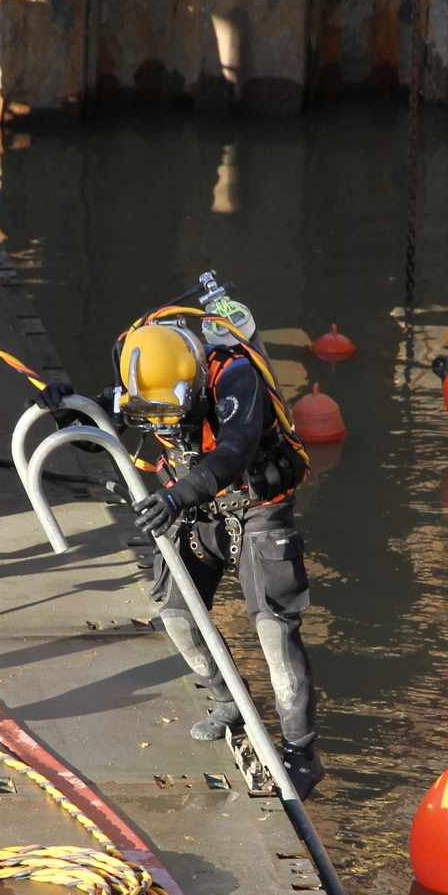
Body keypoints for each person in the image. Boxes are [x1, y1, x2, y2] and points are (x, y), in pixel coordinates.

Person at [38, 286, 323, 796]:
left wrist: (174, 499)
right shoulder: (142, 379)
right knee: (176, 614)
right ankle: (228, 702)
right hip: (195, 508)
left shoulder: (236, 377)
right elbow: (96, 425)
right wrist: (65, 408)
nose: (164, 426)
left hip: (255, 506)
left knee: (275, 630)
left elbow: (234, 449)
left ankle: (301, 751)